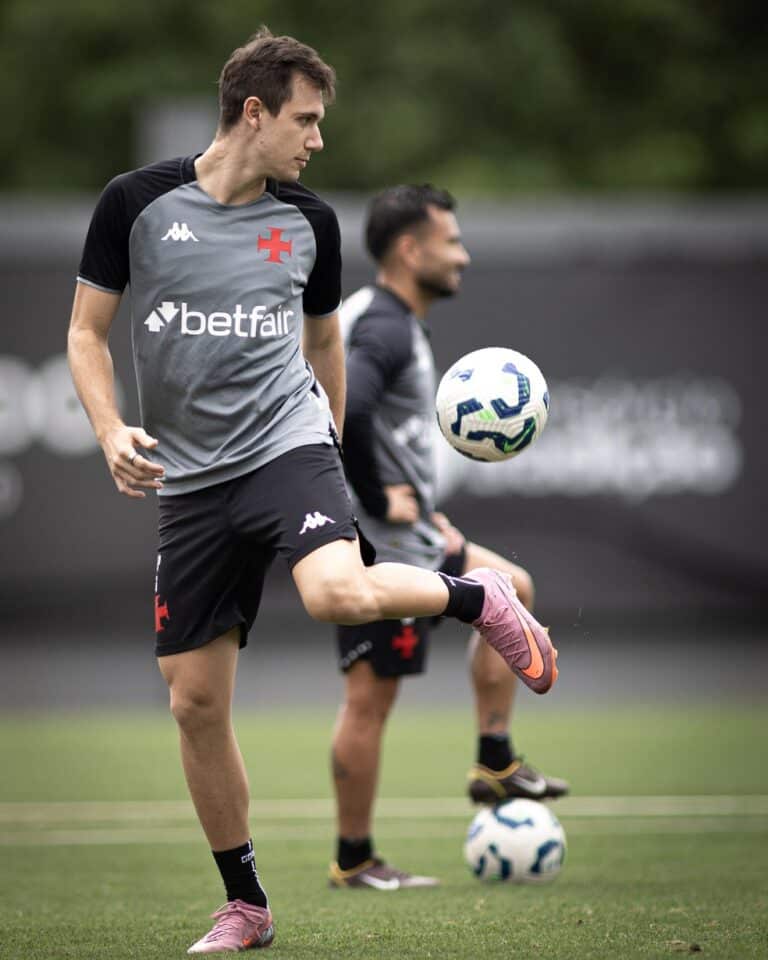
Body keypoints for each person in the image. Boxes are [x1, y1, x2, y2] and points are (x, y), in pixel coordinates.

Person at [67, 30, 557, 954]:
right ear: (254, 112)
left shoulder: (310, 221)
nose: (316, 141)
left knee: (335, 594)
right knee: (194, 703)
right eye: (306, 120)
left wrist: (323, 443)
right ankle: (246, 906)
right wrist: (108, 429)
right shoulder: (134, 204)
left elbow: (326, 345)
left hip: (287, 447)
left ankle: (476, 596)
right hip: (191, 480)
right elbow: (88, 335)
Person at [328, 185, 568, 891]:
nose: (463, 254)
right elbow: (349, 408)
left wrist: (418, 507)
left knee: (512, 590)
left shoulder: (389, 319)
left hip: (412, 535)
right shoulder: (386, 327)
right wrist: (378, 501)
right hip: (380, 547)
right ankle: (355, 859)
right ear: (411, 249)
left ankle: (494, 759)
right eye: (451, 240)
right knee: (370, 701)